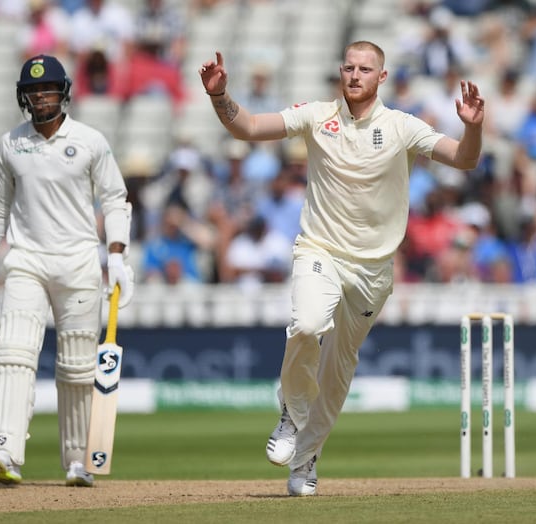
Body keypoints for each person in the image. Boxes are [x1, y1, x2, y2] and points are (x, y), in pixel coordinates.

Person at [199, 41, 484, 496]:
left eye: (365, 69)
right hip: (320, 250)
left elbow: (465, 159)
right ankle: (292, 412)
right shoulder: (317, 115)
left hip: (373, 269)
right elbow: (249, 127)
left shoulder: (402, 127)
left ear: (381, 78)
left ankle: (306, 460)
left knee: (337, 371)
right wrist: (219, 97)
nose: (355, 75)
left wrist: (472, 129)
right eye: (348, 67)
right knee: (307, 325)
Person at [0, 54, 134, 487]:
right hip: (26, 261)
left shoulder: (91, 141)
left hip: (78, 263)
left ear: (64, 93)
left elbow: (115, 199)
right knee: (12, 353)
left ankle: (78, 461)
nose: (41, 96)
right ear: (24, 96)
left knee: (76, 367)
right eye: (34, 90)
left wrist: (116, 258)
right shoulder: (10, 144)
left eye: (49, 89)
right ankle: (3, 449)